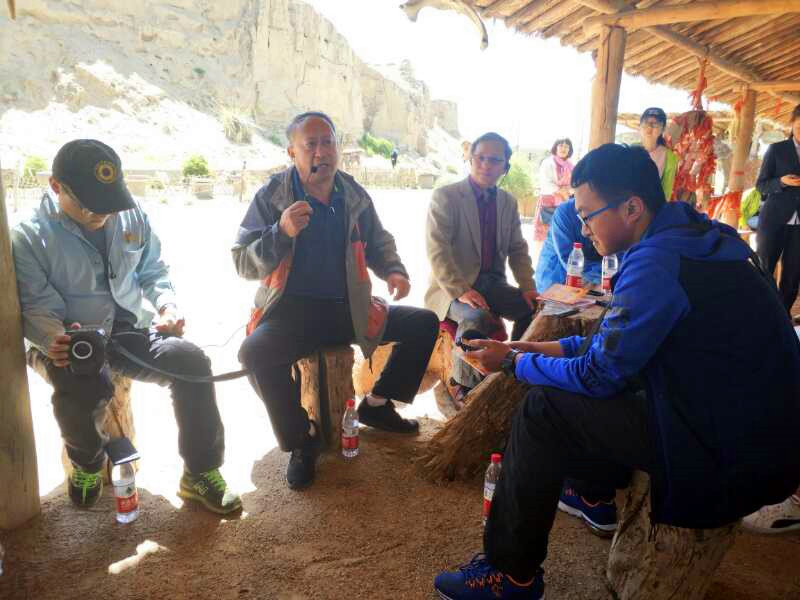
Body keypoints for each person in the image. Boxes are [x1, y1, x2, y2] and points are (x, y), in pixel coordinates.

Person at [433, 143, 800, 600]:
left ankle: (510, 575)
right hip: (755, 434)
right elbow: (614, 343)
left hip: (724, 451)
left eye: (588, 215)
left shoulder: (656, 261)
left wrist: (512, 363)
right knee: (594, 387)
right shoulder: (696, 234)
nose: (583, 230)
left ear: (631, 207)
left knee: (543, 409)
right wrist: (525, 346)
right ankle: (590, 491)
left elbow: (598, 374)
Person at [11, 139, 241, 514]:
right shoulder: (29, 235)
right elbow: (37, 306)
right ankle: (87, 464)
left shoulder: (131, 214)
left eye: (110, 202)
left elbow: (153, 270)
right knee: (82, 384)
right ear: (56, 187)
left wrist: (167, 305)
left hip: (128, 329)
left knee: (193, 364)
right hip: (68, 337)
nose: (102, 214)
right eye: (89, 204)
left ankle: (199, 473)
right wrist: (55, 338)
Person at [234, 111, 438, 490]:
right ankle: (301, 438)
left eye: (327, 142)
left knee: (424, 324)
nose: (320, 152)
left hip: (350, 309)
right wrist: (280, 231)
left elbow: (378, 240)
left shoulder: (353, 194)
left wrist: (394, 270)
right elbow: (242, 261)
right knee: (253, 354)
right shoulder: (274, 195)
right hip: (290, 312)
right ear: (292, 151)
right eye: (310, 144)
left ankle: (376, 406)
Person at [425, 132, 537, 395]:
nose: (486, 165)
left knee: (530, 310)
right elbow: (437, 249)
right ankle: (464, 386)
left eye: (494, 160)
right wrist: (462, 291)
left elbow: (518, 249)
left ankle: (513, 367)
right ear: (470, 159)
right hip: (451, 288)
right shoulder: (446, 196)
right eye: (480, 158)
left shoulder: (507, 202)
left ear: (505, 167)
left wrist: (528, 286)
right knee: (475, 317)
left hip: (492, 283)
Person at [756, 103, 800, 314]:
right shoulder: (777, 149)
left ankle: (782, 318)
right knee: (764, 269)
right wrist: (782, 182)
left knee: (793, 276)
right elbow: (761, 185)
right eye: (799, 125)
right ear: (792, 124)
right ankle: (761, 314)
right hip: (773, 219)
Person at [534, 197, 602, 294]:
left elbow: (620, 256)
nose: (584, 232)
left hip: (591, 280)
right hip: (556, 278)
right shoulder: (565, 212)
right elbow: (569, 260)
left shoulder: (611, 212)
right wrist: (608, 275)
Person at [533, 138, 574, 243]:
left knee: (562, 236)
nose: (563, 148)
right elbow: (545, 183)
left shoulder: (572, 166)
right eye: (561, 145)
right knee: (544, 237)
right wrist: (563, 191)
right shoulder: (548, 163)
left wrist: (569, 191)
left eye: (566, 146)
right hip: (548, 203)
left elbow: (576, 184)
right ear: (555, 147)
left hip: (565, 204)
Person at [639, 107, 678, 202]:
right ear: (639, 126)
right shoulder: (630, 150)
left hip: (651, 209)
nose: (649, 127)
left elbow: (665, 193)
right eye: (646, 123)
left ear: (663, 129)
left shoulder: (669, 157)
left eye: (655, 124)